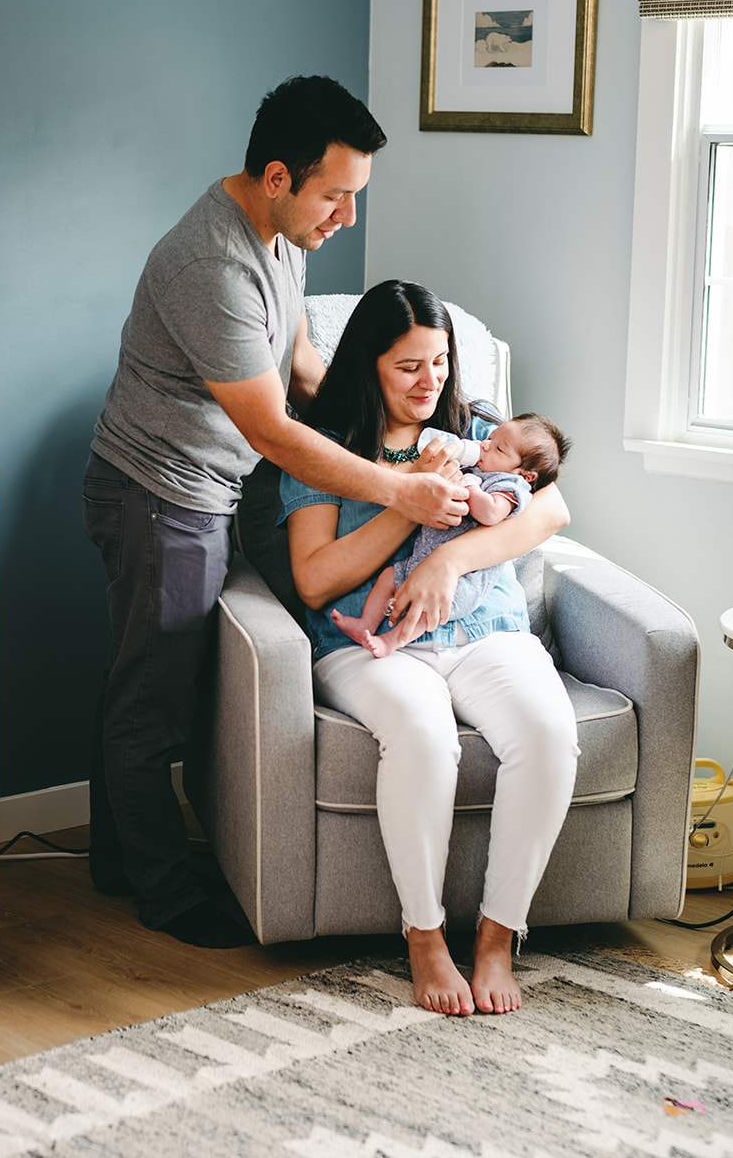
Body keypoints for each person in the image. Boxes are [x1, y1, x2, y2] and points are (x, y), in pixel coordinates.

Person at [82, 77, 472, 949]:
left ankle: (116, 861)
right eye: (336, 196)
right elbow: (274, 431)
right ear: (276, 176)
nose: (347, 219)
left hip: (203, 488)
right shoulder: (209, 265)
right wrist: (399, 490)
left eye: (354, 197)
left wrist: (386, 425)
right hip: (158, 492)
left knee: (146, 674)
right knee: (158, 692)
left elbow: (298, 368)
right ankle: (163, 890)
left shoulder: (283, 236)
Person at [279, 279, 576, 1015]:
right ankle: (426, 938)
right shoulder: (328, 445)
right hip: (372, 641)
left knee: (546, 732)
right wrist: (404, 498)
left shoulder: (476, 427)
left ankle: (499, 939)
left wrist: (450, 559)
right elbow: (314, 580)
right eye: (408, 365)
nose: (428, 381)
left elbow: (552, 510)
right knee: (420, 733)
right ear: (369, 363)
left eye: (439, 362)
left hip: (484, 631)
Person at [331, 414, 571, 658]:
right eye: (490, 437)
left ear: (525, 474)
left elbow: (490, 513)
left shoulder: (510, 486)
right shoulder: (477, 468)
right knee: (387, 577)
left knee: (427, 612)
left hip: (464, 582)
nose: (484, 444)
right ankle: (365, 623)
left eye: (498, 448)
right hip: (421, 561)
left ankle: (391, 641)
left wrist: (472, 489)